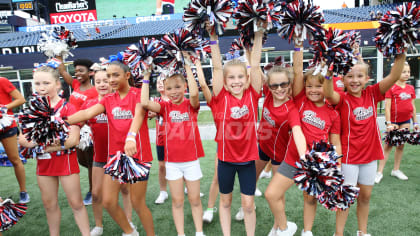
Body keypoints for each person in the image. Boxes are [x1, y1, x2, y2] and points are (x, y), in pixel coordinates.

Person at [67, 61, 155, 236]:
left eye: (115, 75)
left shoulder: (138, 94)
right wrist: (58, 121)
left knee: (138, 203)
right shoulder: (108, 99)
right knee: (108, 202)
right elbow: (85, 114)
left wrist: (131, 137)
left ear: (127, 76)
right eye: (108, 76)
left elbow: (138, 115)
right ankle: (130, 232)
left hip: (138, 155)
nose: (110, 79)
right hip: (116, 157)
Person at [324, 52, 406, 236]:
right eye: (349, 76)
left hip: (370, 156)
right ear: (343, 79)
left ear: (367, 79)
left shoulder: (372, 93)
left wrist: (401, 50)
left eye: (359, 76)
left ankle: (362, 232)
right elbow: (328, 92)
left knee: (366, 196)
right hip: (349, 158)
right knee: (346, 199)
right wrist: (330, 67)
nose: (354, 80)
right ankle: (339, 234)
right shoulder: (341, 98)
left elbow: (394, 75)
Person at [265, 39, 341, 236]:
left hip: (316, 163)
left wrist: (336, 165)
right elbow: (298, 71)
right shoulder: (300, 102)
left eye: (318, 86)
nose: (313, 90)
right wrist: (298, 44)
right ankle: (285, 228)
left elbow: (335, 142)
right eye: (309, 86)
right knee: (272, 194)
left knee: (309, 198)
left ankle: (307, 231)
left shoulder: (333, 113)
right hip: (294, 159)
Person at [207, 20, 264, 236]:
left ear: (247, 78)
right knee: (226, 201)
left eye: (240, 76)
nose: (236, 81)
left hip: (248, 160)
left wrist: (259, 34)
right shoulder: (221, 97)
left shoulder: (252, 95)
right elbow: (216, 66)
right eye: (231, 77)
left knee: (248, 204)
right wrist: (213, 38)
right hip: (226, 161)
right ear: (225, 80)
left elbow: (256, 64)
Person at [19, 64, 90, 236]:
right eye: (37, 84)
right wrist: (53, 143)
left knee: (76, 203)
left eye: (46, 83)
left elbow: (72, 140)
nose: (41, 88)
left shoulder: (69, 108)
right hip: (44, 163)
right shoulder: (30, 109)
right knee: (49, 205)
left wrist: (40, 142)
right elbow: (23, 141)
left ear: (57, 84)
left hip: (65, 161)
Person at [140, 53, 205, 236]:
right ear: (164, 90)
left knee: (194, 199)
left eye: (178, 87)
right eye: (170, 88)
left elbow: (193, 93)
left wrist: (187, 66)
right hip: (172, 163)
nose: (174, 91)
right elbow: (144, 102)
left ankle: (199, 232)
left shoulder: (191, 105)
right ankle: (181, 233)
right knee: (177, 201)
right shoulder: (164, 107)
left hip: (191, 161)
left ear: (184, 86)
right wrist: (146, 75)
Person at [81, 67, 133, 236]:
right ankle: (98, 226)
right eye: (98, 81)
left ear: (111, 82)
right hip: (100, 157)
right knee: (96, 193)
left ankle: (129, 223)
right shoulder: (89, 105)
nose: (102, 84)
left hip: (120, 156)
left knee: (125, 190)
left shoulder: (120, 102)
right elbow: (80, 123)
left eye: (105, 80)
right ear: (93, 84)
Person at [58, 57, 97, 206]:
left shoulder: (94, 91)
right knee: (83, 161)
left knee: (90, 162)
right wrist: (59, 52)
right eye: (76, 71)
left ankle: (93, 191)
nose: (78, 74)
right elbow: (62, 70)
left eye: (81, 71)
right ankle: (101, 180)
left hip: (87, 130)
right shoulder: (75, 85)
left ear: (91, 73)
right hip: (73, 129)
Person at [375, 62, 418, 183]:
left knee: (401, 146)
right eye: (404, 72)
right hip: (393, 122)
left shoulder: (410, 88)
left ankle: (396, 170)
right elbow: (387, 107)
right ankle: (379, 172)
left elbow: (413, 107)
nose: (407, 74)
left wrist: (415, 123)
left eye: (408, 72)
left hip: (406, 121)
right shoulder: (391, 87)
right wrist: (388, 123)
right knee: (388, 146)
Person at [0, 77, 29, 203]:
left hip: (7, 125)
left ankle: (23, 191)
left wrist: (3, 108)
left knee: (15, 160)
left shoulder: (2, 81)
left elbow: (21, 99)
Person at [153, 78, 170, 204]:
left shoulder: (176, 99)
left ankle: (188, 187)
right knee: (162, 166)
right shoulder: (154, 101)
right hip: (161, 138)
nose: (159, 83)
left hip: (177, 138)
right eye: (157, 81)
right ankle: (163, 192)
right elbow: (150, 111)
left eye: (162, 81)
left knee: (182, 162)